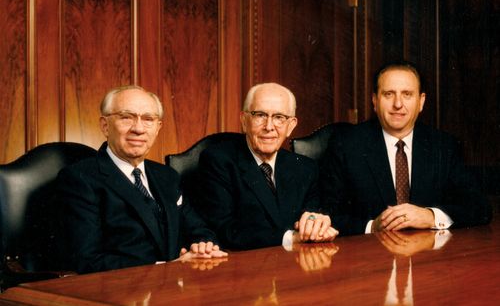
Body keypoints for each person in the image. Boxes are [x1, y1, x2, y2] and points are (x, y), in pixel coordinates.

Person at [56, 85, 226, 273]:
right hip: (120, 294)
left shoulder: (167, 176)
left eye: (148, 119)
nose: (138, 129)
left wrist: (203, 247)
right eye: (126, 117)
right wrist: (166, 268)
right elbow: (87, 260)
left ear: (158, 128)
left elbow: (199, 229)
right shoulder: (80, 179)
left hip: (175, 289)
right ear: (105, 126)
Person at [319, 62, 492, 235]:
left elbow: (480, 207)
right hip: (370, 255)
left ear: (421, 101)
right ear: (374, 101)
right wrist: (372, 227)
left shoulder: (444, 146)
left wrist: (431, 216)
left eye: (407, 94)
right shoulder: (346, 144)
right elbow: (325, 212)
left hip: (429, 256)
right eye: (388, 94)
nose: (398, 104)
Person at [193, 82, 338, 250]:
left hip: (298, 265)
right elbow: (225, 230)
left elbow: (311, 216)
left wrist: (316, 226)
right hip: (245, 269)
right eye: (260, 115)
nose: (269, 127)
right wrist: (290, 238)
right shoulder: (218, 161)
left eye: (279, 117)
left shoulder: (306, 168)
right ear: (244, 120)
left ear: (291, 126)